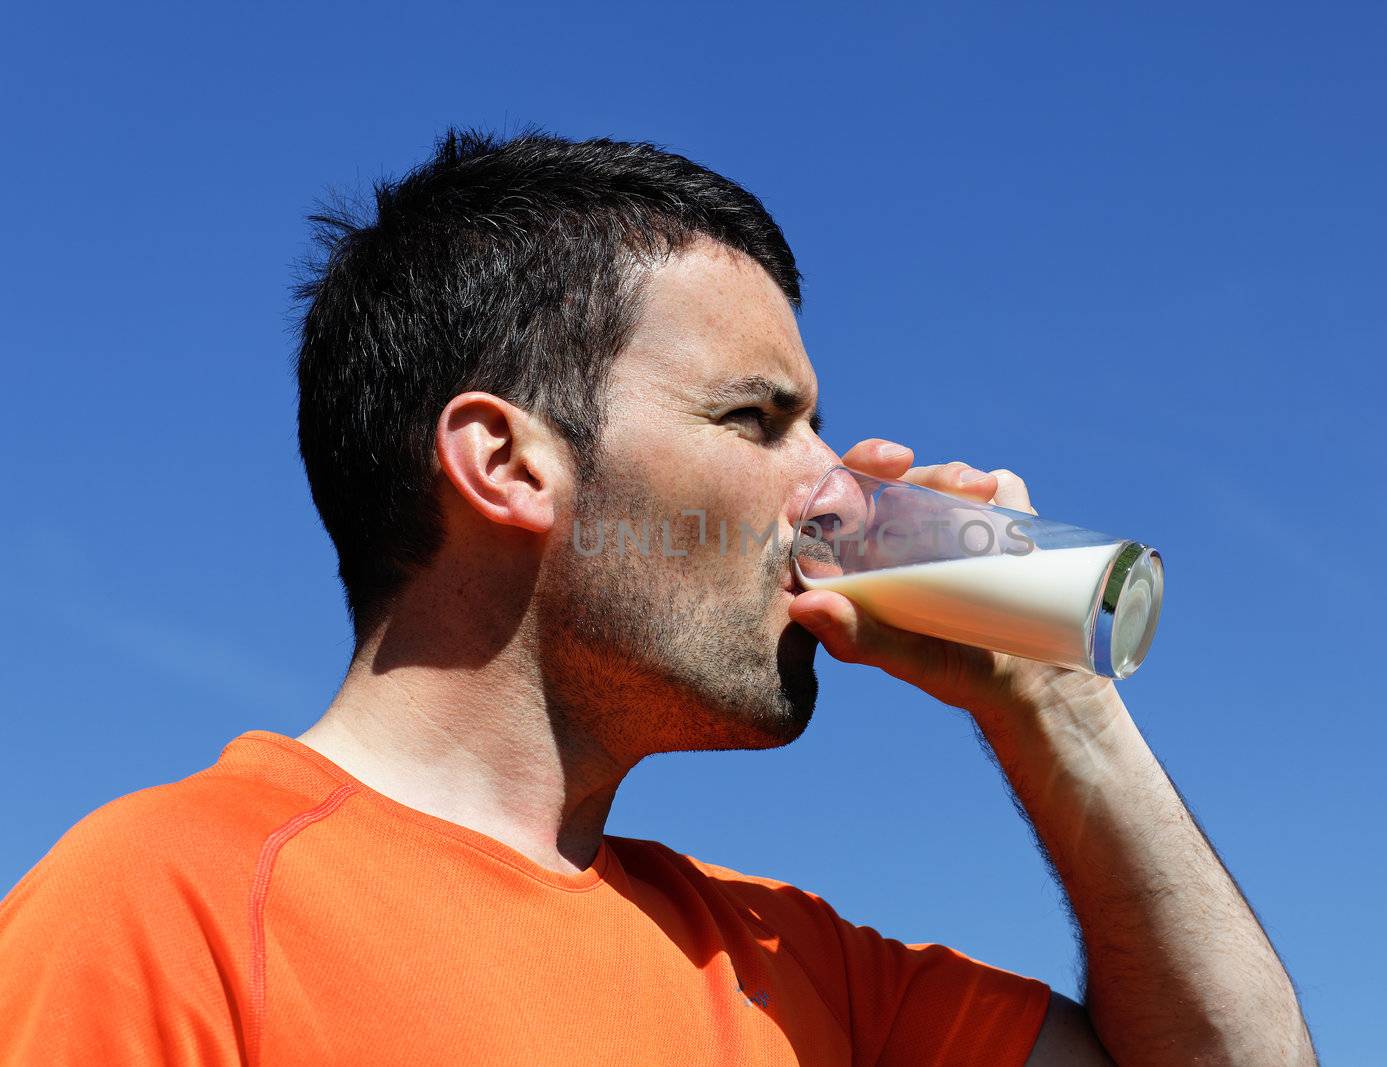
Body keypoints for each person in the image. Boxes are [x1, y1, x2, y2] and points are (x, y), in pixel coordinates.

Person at [0, 129, 1315, 1066]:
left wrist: (1056, 703)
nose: (839, 487)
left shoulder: (791, 968)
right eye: (761, 420)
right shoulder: (167, 911)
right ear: (510, 465)